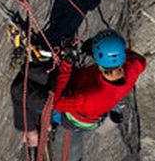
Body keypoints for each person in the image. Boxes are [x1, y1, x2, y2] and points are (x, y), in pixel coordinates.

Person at [11, 29, 146, 146]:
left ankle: (31, 132)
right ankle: (43, 120)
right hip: (75, 85)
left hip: (70, 115)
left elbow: (58, 102)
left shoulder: (91, 96)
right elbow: (140, 60)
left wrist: (66, 66)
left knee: (18, 90)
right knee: (29, 70)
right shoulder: (132, 67)